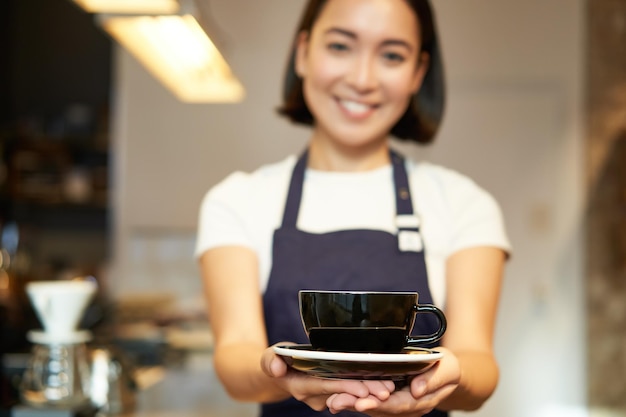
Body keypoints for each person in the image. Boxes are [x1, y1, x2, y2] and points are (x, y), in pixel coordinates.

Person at [195, 0, 511, 416]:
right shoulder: (236, 200)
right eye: (341, 46)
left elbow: (477, 364)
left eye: (392, 55)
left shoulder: (464, 203)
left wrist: (441, 380)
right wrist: (283, 373)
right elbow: (235, 357)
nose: (362, 79)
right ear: (304, 52)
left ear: (418, 73)